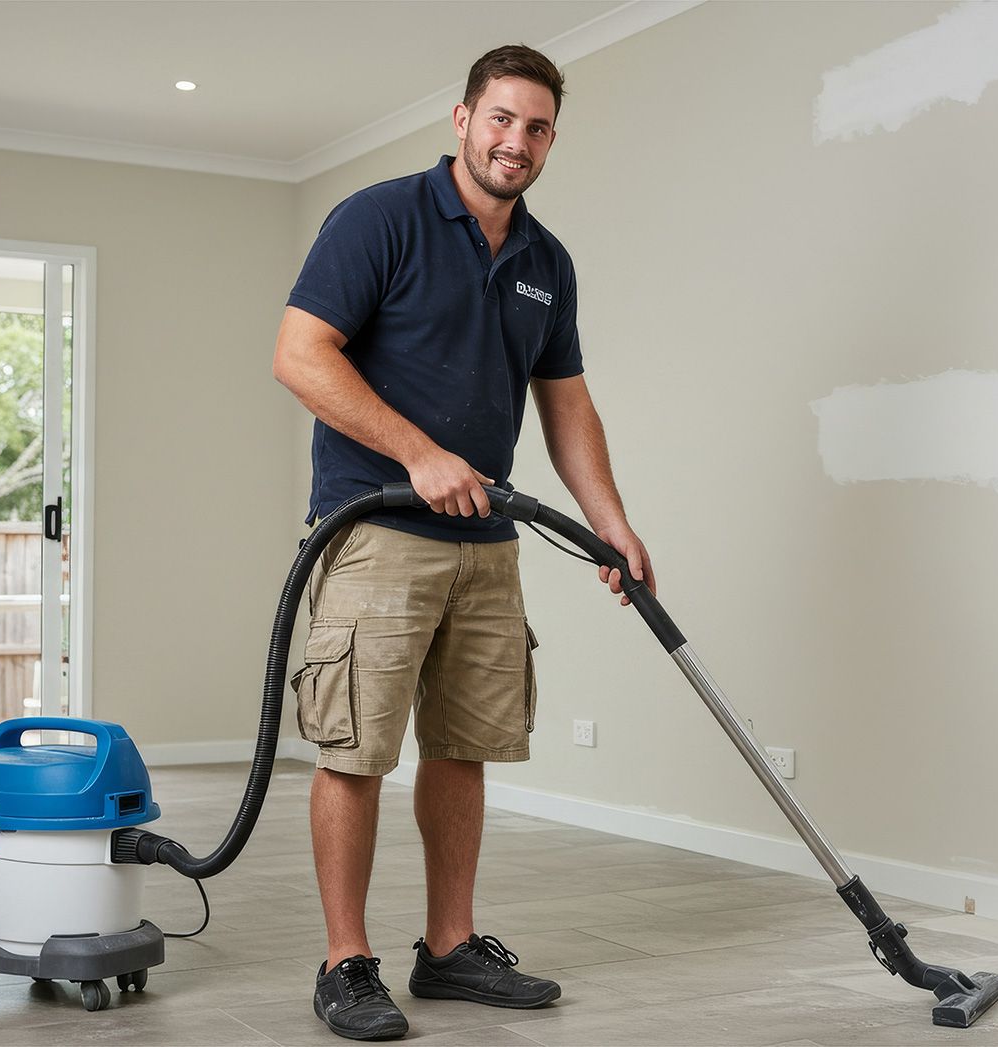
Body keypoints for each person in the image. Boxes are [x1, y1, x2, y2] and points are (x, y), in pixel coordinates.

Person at [271, 44, 654, 1041]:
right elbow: (299, 356)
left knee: (465, 746)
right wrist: (420, 453)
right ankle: (345, 962)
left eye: (535, 128)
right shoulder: (380, 220)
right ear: (462, 119)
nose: (514, 141)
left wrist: (610, 521)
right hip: (377, 529)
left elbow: (566, 405)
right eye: (500, 119)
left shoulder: (545, 262)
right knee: (355, 751)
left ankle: (448, 949)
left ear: (550, 140)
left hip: (489, 540)